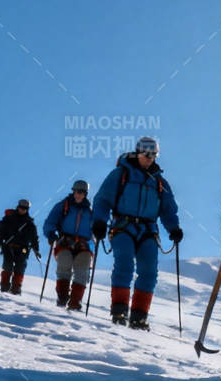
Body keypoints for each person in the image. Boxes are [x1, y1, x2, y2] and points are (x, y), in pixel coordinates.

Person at [91, 136, 182, 328]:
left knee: (149, 273)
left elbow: (168, 209)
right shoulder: (120, 174)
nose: (149, 158)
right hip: (123, 226)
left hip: (148, 230)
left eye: (153, 155)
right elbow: (102, 200)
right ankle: (119, 311)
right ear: (138, 152)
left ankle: (139, 317)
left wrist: (173, 228)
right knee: (124, 265)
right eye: (146, 154)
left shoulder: (160, 182)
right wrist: (99, 221)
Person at [43, 180, 96, 310]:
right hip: (65, 241)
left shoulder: (89, 212)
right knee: (64, 266)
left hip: (83, 244)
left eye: (81, 192)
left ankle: (75, 302)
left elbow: (94, 230)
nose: (78, 194)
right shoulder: (63, 206)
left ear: (85, 194)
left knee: (82, 271)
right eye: (76, 191)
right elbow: (50, 221)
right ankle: (62, 298)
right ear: (73, 191)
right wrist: (50, 234)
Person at [0, 199, 40, 295]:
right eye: (21, 208)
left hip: (22, 248)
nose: (23, 210)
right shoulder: (8, 218)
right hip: (8, 246)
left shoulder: (30, 223)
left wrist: (36, 249)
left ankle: (16, 288)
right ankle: (4, 286)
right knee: (7, 266)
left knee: (20, 268)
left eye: (25, 208)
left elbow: (34, 237)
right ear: (18, 207)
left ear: (28, 209)